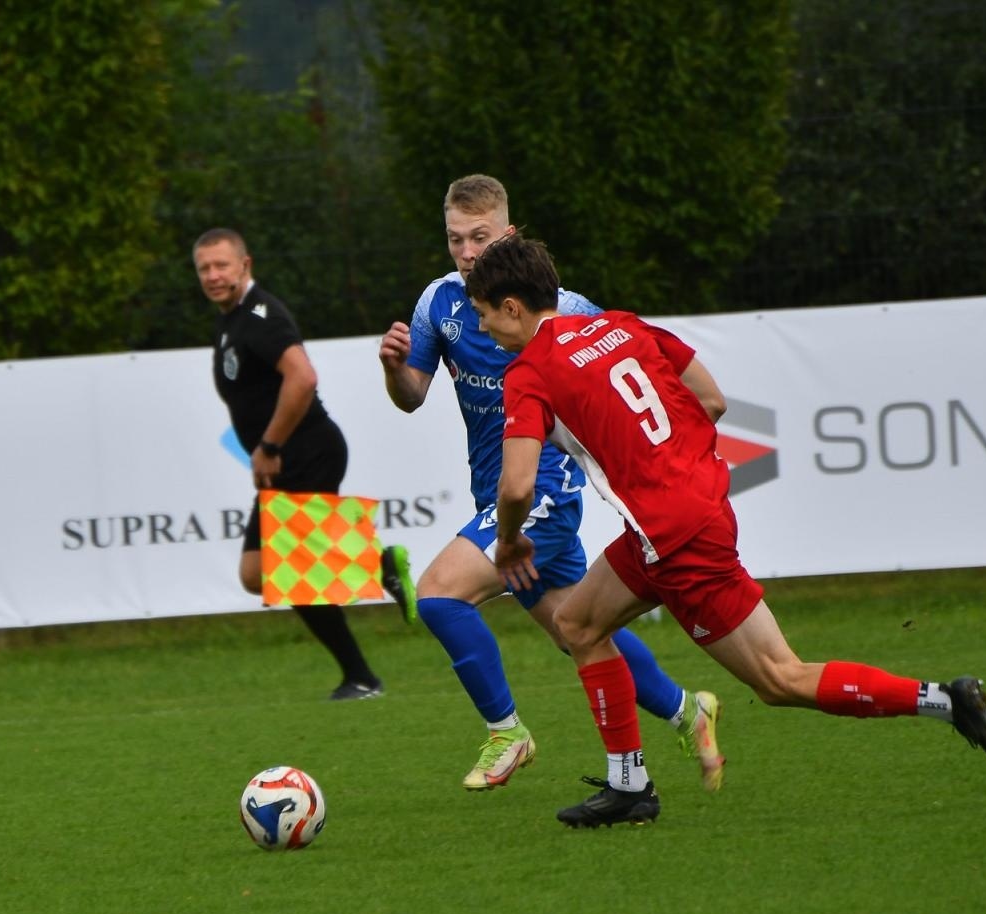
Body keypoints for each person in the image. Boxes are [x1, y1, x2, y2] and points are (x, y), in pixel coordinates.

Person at [470, 232, 986, 827]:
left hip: (676, 540)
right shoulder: (621, 325)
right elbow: (712, 399)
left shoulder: (531, 370)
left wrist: (512, 539)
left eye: (486, 315)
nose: (485, 329)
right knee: (577, 623)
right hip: (684, 516)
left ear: (512, 306)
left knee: (780, 678)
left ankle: (946, 701)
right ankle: (629, 785)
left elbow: (515, 486)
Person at [377, 175, 723, 791]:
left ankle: (507, 732)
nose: (465, 251)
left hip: (542, 491)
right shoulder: (438, 302)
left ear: (507, 233)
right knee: (577, 630)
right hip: (498, 493)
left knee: (437, 595)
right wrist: (394, 369)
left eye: (478, 237)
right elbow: (411, 398)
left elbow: (644, 376)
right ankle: (686, 711)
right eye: (455, 239)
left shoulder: (568, 309)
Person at [194, 227, 387, 701]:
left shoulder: (261, 315)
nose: (214, 275)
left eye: (222, 265)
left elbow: (302, 377)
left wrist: (271, 446)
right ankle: (380, 569)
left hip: (305, 452)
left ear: (245, 265)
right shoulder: (230, 319)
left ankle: (361, 677)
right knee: (255, 573)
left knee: (286, 570)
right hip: (285, 459)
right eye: (204, 268)